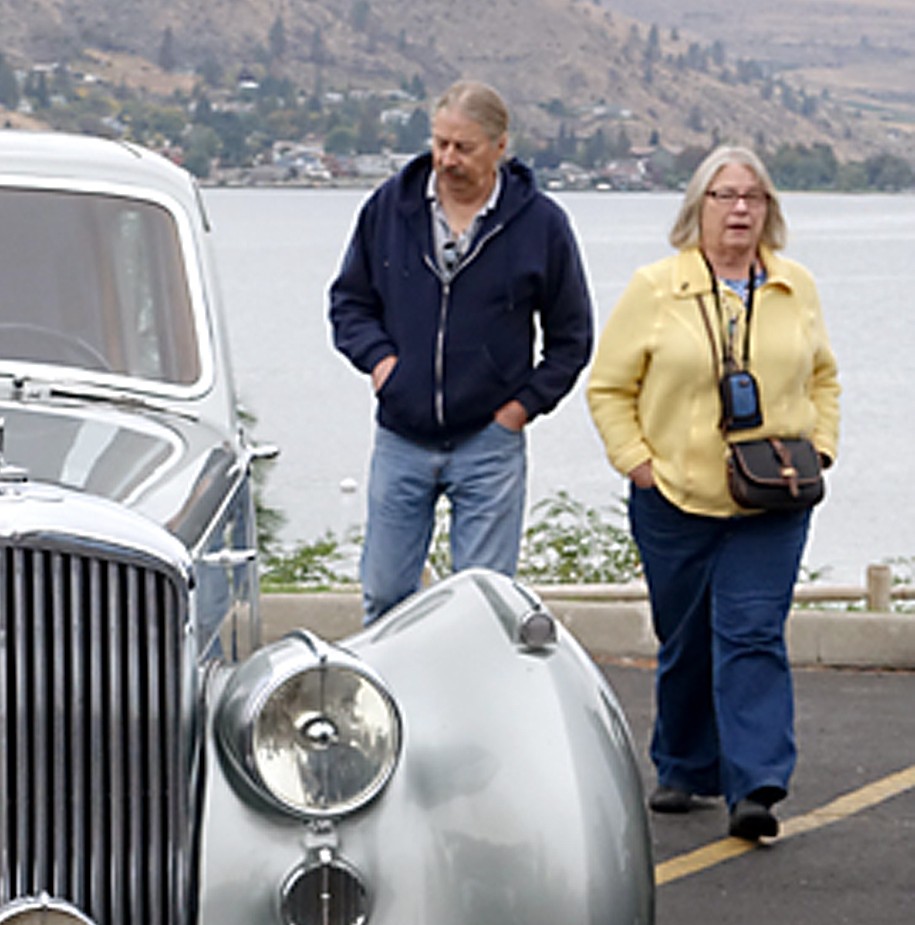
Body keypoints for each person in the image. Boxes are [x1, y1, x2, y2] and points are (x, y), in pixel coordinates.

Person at [586, 144, 840, 847]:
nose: (739, 209)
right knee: (687, 637)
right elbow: (609, 388)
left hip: (773, 496)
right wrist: (638, 464)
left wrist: (821, 447)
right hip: (675, 496)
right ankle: (684, 763)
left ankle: (754, 784)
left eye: (753, 197)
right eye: (724, 196)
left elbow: (824, 377)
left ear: (769, 210)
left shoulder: (794, 286)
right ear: (697, 208)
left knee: (752, 632)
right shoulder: (656, 288)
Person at [328, 79, 593, 621]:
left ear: (500, 147)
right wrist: (383, 366)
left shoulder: (542, 225)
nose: (448, 159)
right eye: (440, 143)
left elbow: (572, 338)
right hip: (401, 435)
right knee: (384, 593)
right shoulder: (389, 209)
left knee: (484, 606)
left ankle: (474, 682)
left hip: (489, 443)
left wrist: (520, 409)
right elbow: (349, 303)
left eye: (463, 147)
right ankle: (391, 680)